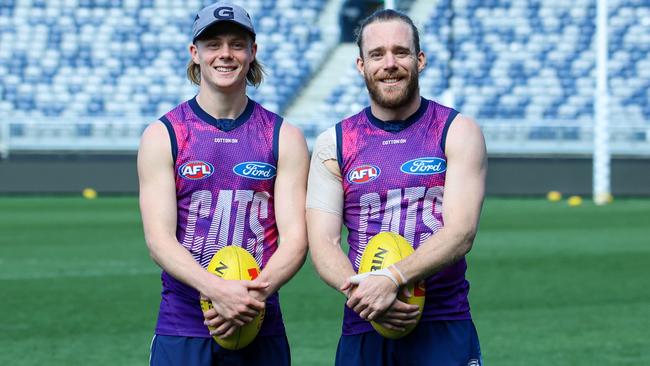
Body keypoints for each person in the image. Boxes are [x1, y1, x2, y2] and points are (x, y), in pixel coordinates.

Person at [306, 9, 487, 366]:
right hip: (364, 326)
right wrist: (368, 296)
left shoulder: (458, 130)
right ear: (361, 65)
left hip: (442, 325)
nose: (389, 63)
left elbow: (461, 233)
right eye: (377, 54)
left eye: (400, 52)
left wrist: (392, 279)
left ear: (420, 60)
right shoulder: (334, 143)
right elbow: (323, 244)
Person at [137, 2, 309, 365]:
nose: (225, 54)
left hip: (259, 321)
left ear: (252, 52)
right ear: (195, 53)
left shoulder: (283, 136)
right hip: (184, 328)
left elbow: (296, 240)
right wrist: (216, 290)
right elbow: (159, 240)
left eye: (236, 44)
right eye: (213, 44)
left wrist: (248, 298)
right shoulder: (163, 135)